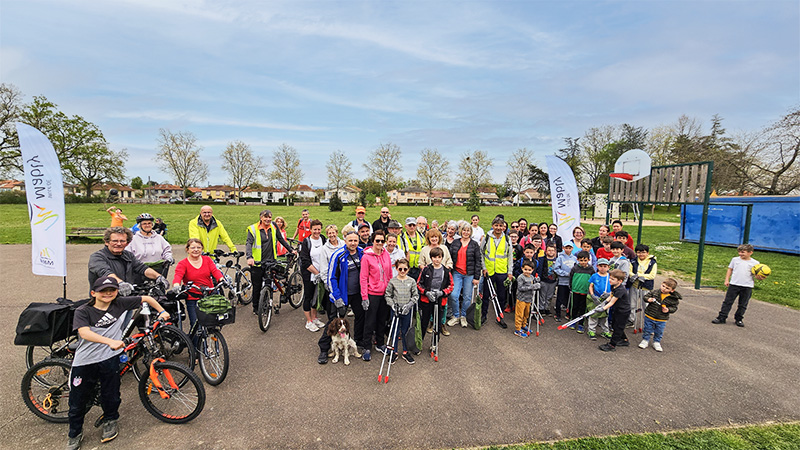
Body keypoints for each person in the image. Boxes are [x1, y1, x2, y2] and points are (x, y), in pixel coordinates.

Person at [66, 276, 169, 450]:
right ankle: (74, 433)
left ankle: (110, 420)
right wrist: (109, 342)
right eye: (103, 291)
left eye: (112, 290)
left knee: (111, 393)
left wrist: (161, 311)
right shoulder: (83, 311)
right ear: (93, 293)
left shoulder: (120, 303)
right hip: (85, 361)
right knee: (77, 400)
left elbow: (147, 298)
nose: (107, 294)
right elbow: (84, 333)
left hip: (109, 358)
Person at [318, 231, 363, 364]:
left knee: (360, 317)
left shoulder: (362, 253)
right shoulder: (338, 255)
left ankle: (356, 342)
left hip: (357, 293)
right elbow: (331, 277)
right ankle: (324, 349)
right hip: (341, 294)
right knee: (333, 322)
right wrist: (337, 297)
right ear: (345, 241)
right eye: (350, 241)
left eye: (355, 240)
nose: (353, 243)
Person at [88, 227, 169, 293]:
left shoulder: (128, 255)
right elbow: (105, 272)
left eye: (122, 241)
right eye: (115, 241)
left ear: (127, 243)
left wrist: (158, 277)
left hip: (126, 298)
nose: (119, 244)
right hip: (104, 300)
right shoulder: (97, 257)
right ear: (106, 242)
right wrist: (120, 283)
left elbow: (142, 268)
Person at [245, 210, 295, 315]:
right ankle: (255, 307)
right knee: (257, 286)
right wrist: (249, 257)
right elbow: (249, 243)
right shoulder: (253, 229)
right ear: (261, 218)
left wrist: (291, 250)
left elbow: (280, 239)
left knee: (269, 284)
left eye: (270, 217)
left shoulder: (273, 226)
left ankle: (266, 305)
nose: (268, 219)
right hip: (257, 263)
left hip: (271, 261)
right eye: (265, 217)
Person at [172, 238, 223, 327]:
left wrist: (221, 279)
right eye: (192, 248)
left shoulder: (207, 260)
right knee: (196, 325)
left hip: (208, 295)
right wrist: (176, 285)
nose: (196, 250)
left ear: (202, 249)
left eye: (198, 247)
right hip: (193, 297)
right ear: (187, 250)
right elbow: (178, 275)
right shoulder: (183, 263)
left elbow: (215, 271)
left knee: (213, 323)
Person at [360, 229, 393, 359]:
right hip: (372, 293)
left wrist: (390, 291)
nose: (380, 243)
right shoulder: (366, 257)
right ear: (373, 241)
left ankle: (380, 343)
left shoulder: (386, 255)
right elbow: (363, 278)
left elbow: (389, 274)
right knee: (370, 321)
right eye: (377, 240)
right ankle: (367, 347)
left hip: (384, 293)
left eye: (382, 241)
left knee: (382, 320)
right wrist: (364, 297)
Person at [712, 244, 761, 327]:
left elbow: (757, 275)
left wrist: (760, 277)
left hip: (747, 286)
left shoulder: (755, 263)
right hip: (734, 284)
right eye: (739, 252)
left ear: (750, 252)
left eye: (743, 252)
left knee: (743, 304)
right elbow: (730, 269)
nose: (740, 254)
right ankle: (722, 317)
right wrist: (727, 279)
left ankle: (739, 319)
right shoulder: (735, 260)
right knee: (727, 302)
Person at [384, 258, 419, 364]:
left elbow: (415, 295)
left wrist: (409, 305)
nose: (402, 271)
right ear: (397, 269)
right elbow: (387, 295)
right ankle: (394, 352)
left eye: (405, 269)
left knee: (405, 331)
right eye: (400, 269)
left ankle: (405, 351)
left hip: (406, 311)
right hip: (396, 310)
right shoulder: (393, 281)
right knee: (395, 331)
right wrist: (392, 305)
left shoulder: (411, 281)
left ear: (408, 269)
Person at [447, 223, 482, 328]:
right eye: (464, 230)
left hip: (469, 274)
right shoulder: (455, 243)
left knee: (467, 297)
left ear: (471, 232)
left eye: (468, 230)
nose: (466, 232)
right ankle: (456, 316)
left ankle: (464, 316)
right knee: (453, 295)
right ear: (460, 231)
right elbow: (449, 257)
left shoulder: (474, 244)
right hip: (457, 273)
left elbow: (478, 261)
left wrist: (476, 277)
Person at [481, 217, 513, 328]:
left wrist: (510, 272)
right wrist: (484, 267)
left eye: (501, 226)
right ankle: (483, 315)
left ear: (503, 227)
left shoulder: (507, 239)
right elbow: (482, 254)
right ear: (493, 226)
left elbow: (509, 256)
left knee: (501, 296)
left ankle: (500, 317)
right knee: (486, 295)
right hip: (489, 271)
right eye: (496, 225)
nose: (498, 228)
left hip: (502, 271)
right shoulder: (487, 238)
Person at [417, 247, 454, 343]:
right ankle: (419, 342)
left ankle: (434, 344)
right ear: (431, 258)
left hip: (440, 301)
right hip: (427, 300)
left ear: (442, 258)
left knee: (437, 324)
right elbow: (419, 284)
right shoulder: (426, 270)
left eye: (439, 257)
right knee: (424, 322)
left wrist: (442, 292)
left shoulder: (446, 271)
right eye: (434, 257)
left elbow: (451, 286)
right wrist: (426, 292)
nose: (436, 259)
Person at [639, 278, 681, 352]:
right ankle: (645, 340)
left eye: (667, 288)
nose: (664, 289)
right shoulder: (655, 292)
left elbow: (674, 308)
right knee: (647, 329)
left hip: (662, 318)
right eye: (663, 286)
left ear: (672, 290)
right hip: (650, 315)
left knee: (659, 331)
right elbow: (646, 297)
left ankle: (656, 342)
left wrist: (668, 310)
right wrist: (648, 299)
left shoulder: (673, 299)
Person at [299, 219, 326, 332]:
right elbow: (304, 260)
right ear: (310, 229)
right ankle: (309, 321)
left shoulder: (323, 239)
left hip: (321, 274)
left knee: (317, 296)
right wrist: (316, 273)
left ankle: (314, 318)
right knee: (308, 296)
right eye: (315, 229)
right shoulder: (307, 242)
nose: (317, 232)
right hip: (310, 274)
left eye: (319, 229)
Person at [598, 269, 632, 352]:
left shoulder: (620, 290)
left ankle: (612, 345)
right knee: (614, 325)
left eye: (613, 279)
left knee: (618, 328)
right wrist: (603, 303)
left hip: (623, 312)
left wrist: (602, 309)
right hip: (617, 309)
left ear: (619, 281)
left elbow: (612, 302)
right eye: (610, 278)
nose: (610, 280)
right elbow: (610, 296)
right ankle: (624, 340)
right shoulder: (613, 286)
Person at [629, 243, 658, 325]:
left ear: (647, 253)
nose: (641, 254)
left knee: (646, 306)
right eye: (638, 252)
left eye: (643, 252)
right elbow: (630, 272)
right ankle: (631, 320)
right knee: (632, 304)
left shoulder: (652, 262)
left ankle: (648, 323)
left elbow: (652, 275)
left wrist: (641, 276)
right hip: (635, 286)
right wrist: (634, 276)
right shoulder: (633, 261)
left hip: (646, 287)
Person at [567, 250, 595, 333]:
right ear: (578, 260)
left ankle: (581, 323)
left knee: (583, 308)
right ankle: (573, 321)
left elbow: (593, 281)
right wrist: (571, 287)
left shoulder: (591, 270)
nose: (583, 262)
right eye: (581, 260)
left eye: (585, 260)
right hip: (575, 291)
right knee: (574, 307)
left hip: (585, 292)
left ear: (588, 260)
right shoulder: (575, 268)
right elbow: (571, 278)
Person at [587, 258, 612, 340]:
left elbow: (614, 287)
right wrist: (592, 295)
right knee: (594, 315)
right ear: (597, 266)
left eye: (605, 266)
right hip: (596, 298)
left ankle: (605, 331)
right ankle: (591, 330)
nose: (602, 268)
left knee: (605, 316)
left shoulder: (610, 276)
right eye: (601, 266)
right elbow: (591, 286)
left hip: (607, 300)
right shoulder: (594, 276)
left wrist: (609, 294)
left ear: (608, 267)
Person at [552, 242, 577, 322]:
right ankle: (557, 314)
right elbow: (556, 269)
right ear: (563, 248)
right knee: (560, 298)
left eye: (570, 248)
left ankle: (568, 313)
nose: (568, 249)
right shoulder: (560, 258)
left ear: (572, 248)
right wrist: (566, 274)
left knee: (569, 298)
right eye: (566, 248)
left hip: (571, 282)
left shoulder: (574, 258)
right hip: (562, 281)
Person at [316, 224, 345, 291]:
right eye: (329, 233)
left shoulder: (344, 244)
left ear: (337, 233)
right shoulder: (324, 248)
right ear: (327, 234)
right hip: (332, 278)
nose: (332, 235)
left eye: (333, 233)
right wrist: (326, 281)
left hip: (344, 277)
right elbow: (323, 266)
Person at [514, 261, 537, 338]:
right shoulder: (521, 277)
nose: (527, 271)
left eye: (529, 270)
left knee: (526, 314)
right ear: (522, 269)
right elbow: (520, 288)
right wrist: (532, 287)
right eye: (525, 269)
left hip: (529, 299)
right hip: (521, 299)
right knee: (519, 314)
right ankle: (518, 329)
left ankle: (524, 325)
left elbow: (534, 284)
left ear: (532, 270)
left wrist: (537, 282)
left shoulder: (531, 277)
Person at [537, 243, 559, 316]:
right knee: (542, 295)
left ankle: (547, 308)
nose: (551, 252)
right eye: (549, 250)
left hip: (553, 280)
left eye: (552, 250)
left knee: (549, 296)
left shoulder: (557, 260)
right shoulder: (543, 259)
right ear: (546, 251)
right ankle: (541, 308)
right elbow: (540, 269)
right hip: (544, 280)